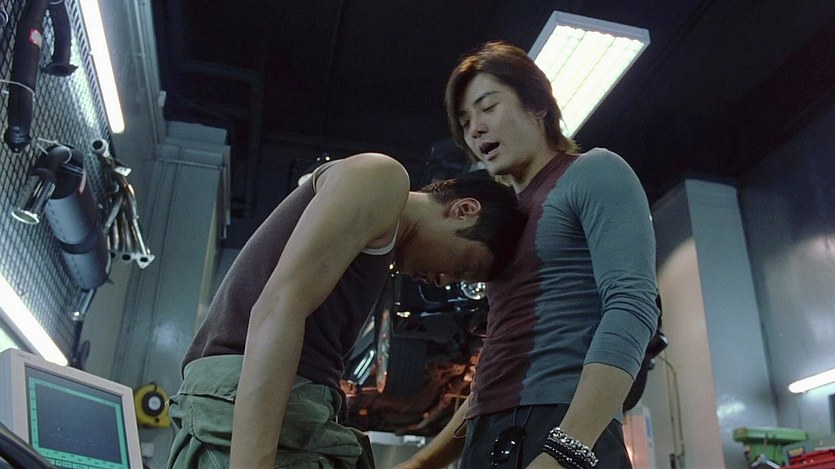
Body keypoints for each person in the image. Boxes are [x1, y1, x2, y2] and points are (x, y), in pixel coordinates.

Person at [165, 151, 525, 469]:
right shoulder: (382, 177)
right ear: (464, 210)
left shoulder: (376, 244)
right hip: (253, 404)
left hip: (264, 410)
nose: (445, 281)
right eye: (464, 266)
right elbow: (279, 306)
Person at [394, 41, 660, 469]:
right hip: (486, 435)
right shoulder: (502, 224)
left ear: (538, 106)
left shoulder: (594, 171)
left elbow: (633, 306)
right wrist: (424, 463)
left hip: (561, 425)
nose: (475, 129)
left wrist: (567, 449)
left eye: (488, 107)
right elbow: (499, 365)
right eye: (465, 122)